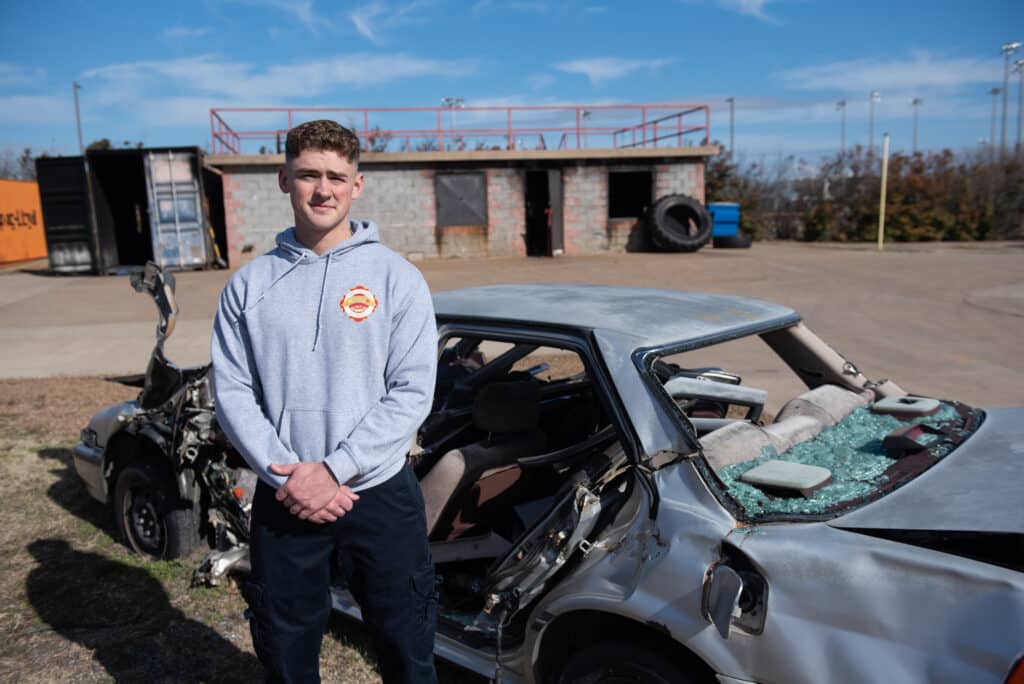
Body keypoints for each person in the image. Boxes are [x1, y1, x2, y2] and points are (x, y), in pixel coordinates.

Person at [211, 119, 439, 684]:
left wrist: (335, 469)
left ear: (356, 185)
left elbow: (412, 391)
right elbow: (233, 390)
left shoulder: (397, 278)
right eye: (308, 174)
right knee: (286, 654)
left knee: (407, 647)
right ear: (283, 178)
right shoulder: (248, 284)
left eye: (336, 176)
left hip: (380, 493)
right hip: (284, 494)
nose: (323, 189)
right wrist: (290, 475)